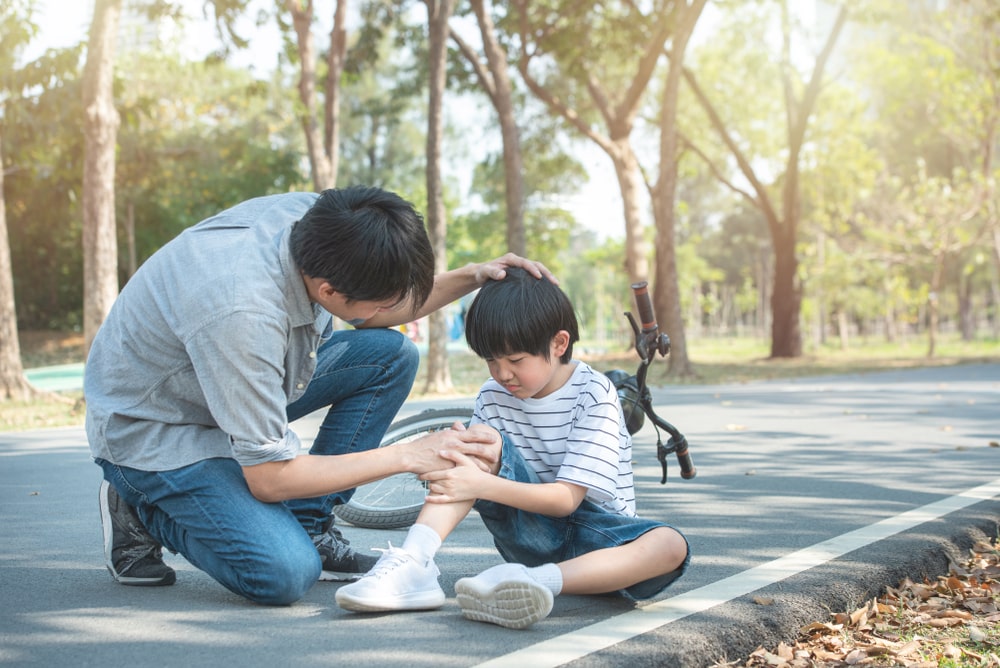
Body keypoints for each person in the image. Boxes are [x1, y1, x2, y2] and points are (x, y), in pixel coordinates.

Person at [86, 186, 553, 605]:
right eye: (387, 303)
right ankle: (139, 504)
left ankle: (310, 523)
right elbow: (269, 478)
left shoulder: (324, 220)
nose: (395, 311)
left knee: (390, 355)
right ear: (327, 290)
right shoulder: (241, 312)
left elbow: (374, 311)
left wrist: (473, 276)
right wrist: (409, 455)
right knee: (283, 573)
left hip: (227, 379)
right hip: (156, 425)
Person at [334, 267, 690, 629]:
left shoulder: (594, 394)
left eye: (516, 360)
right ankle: (412, 564)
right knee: (471, 451)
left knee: (671, 545)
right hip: (529, 532)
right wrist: (458, 458)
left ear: (558, 343)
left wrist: (479, 484)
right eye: (491, 361)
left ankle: (533, 581)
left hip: (601, 543)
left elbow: (566, 500)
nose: (502, 374)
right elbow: (474, 469)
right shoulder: (494, 395)